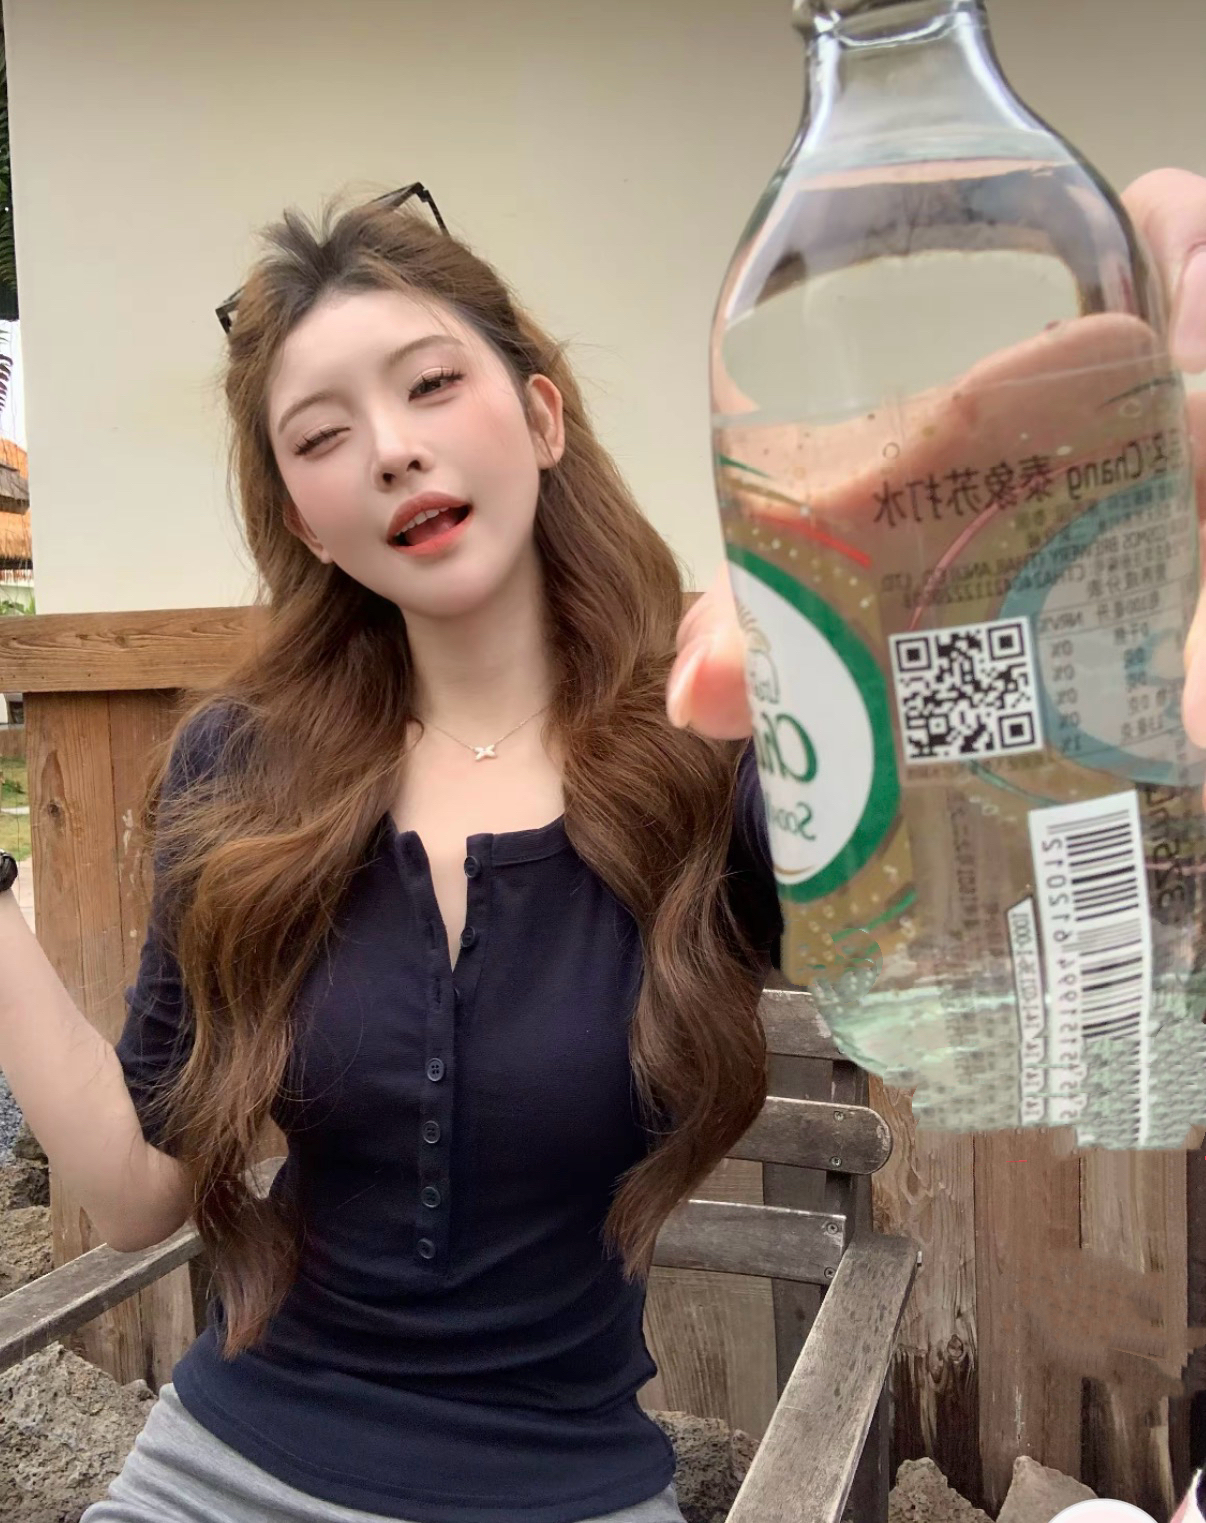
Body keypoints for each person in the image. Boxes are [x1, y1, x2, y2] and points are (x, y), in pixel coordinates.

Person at [0, 163, 1202, 1523]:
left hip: (562, 1490)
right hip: (224, 1471)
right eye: (321, 435)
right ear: (302, 524)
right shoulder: (242, 771)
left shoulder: (710, 746)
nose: (390, 448)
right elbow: (137, 1190)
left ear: (541, 416)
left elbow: (999, 960)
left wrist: (1083, 646)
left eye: (430, 384)